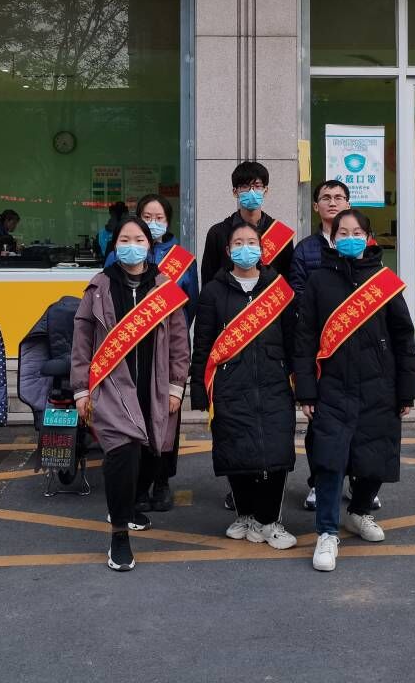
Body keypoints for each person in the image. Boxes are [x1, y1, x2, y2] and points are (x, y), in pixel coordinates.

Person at [293, 208, 415, 573]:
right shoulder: (319, 281)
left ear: (368, 238)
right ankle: (326, 532)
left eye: (356, 233)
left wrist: (406, 390)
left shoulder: (383, 281)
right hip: (332, 387)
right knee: (330, 461)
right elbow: (304, 339)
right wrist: (306, 391)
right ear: (333, 239)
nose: (349, 238)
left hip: (379, 386)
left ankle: (359, 512)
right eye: (342, 233)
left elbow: (403, 338)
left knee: (375, 457)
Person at [72, 216, 191, 572]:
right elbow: (81, 342)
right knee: (121, 455)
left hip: (153, 387)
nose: (132, 245)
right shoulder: (98, 287)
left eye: (139, 239)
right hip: (111, 388)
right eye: (124, 239)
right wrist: (81, 390)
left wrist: (176, 386)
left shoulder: (164, 287)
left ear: (149, 245)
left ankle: (129, 507)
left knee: (149, 454)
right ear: (114, 245)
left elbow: (179, 342)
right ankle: (119, 535)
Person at [189, 219, 298, 550]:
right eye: (238, 243)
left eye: (252, 243)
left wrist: (302, 385)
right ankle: (247, 514)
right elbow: (202, 345)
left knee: (276, 452)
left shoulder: (279, 289)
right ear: (228, 250)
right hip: (230, 385)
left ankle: (269, 521)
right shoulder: (213, 292)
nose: (245, 248)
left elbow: (294, 341)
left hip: (274, 383)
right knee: (235, 451)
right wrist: (199, 391)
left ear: (262, 249)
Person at [103, 193, 198, 512]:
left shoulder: (182, 259)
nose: (153, 223)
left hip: (166, 351)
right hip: (126, 351)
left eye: (159, 218)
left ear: (168, 222)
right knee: (133, 415)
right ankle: (136, 484)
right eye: (147, 217)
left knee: (166, 420)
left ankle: (162, 482)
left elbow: (191, 305)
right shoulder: (116, 255)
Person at [289, 179, 357, 512]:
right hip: (321, 350)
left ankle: (358, 482)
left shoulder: (363, 244)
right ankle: (319, 482)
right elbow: (298, 295)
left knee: (360, 423)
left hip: (358, 350)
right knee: (321, 424)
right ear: (315, 206)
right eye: (326, 198)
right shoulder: (305, 250)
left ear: (348, 204)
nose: (333, 202)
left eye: (339, 197)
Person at [201, 161, 295, 286]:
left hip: (267, 298)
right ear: (235, 192)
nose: (252, 192)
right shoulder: (217, 233)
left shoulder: (281, 234)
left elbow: (288, 282)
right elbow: (208, 281)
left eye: (257, 186)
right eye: (245, 186)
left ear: (266, 190)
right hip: (228, 297)